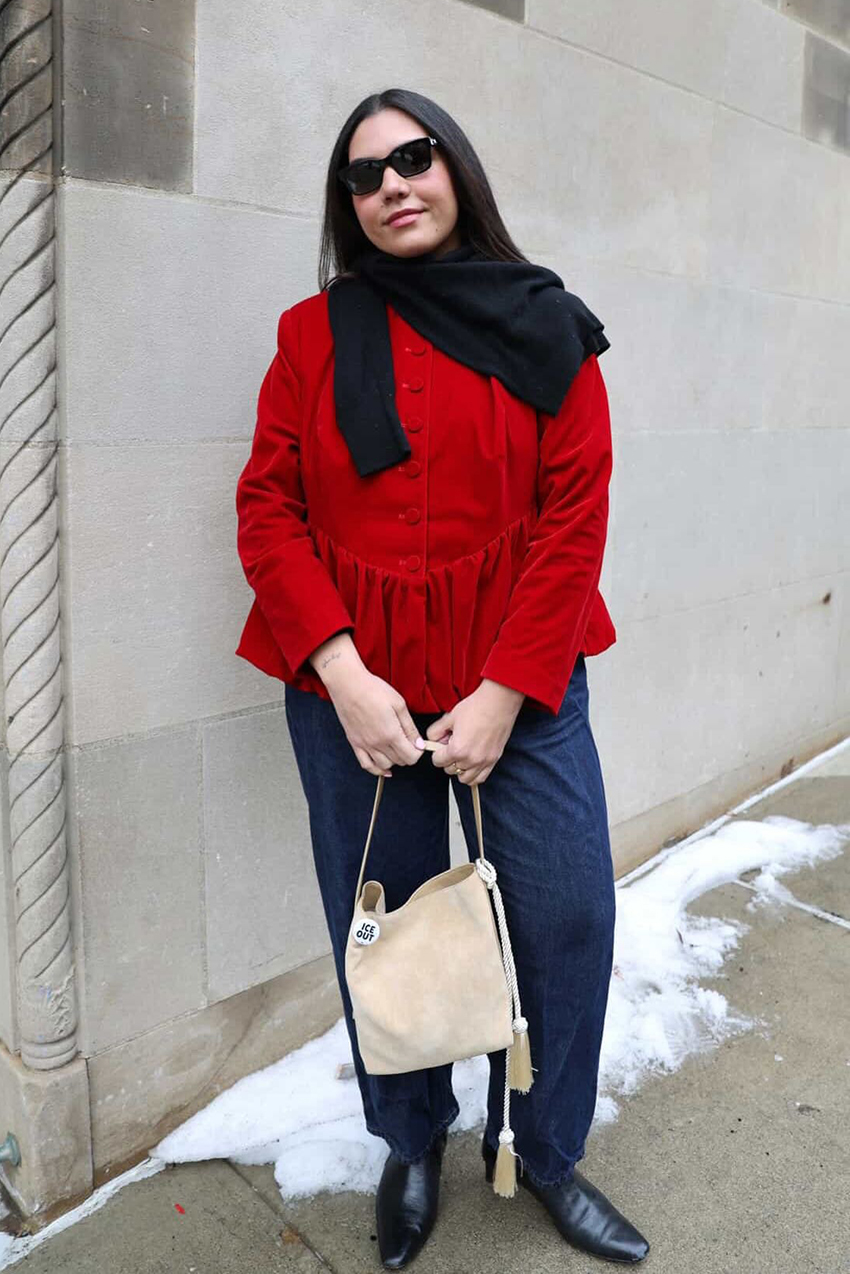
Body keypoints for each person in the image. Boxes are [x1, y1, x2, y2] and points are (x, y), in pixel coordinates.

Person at [234, 87, 650, 1270]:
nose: (392, 186)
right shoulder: (308, 338)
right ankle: (409, 1142)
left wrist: (509, 689)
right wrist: (345, 675)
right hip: (353, 688)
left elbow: (575, 517)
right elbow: (268, 507)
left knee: (567, 913)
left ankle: (547, 1149)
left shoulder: (544, 322)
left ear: (454, 168)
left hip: (519, 674)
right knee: (389, 928)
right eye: (364, 176)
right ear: (347, 206)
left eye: (412, 158)